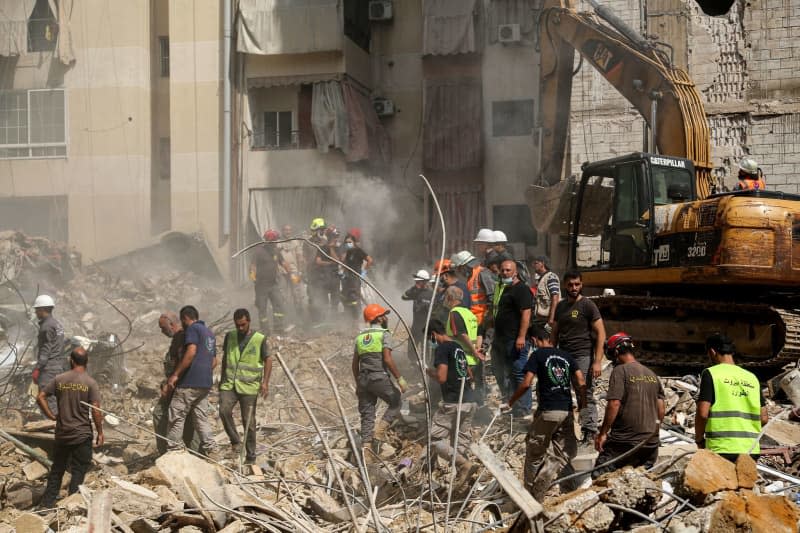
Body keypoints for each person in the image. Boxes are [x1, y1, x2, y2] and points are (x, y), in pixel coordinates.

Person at [504, 324, 586, 500]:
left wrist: (511, 402)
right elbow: (580, 380)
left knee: (534, 451)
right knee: (563, 451)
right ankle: (569, 490)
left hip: (549, 410)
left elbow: (526, 383)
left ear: (534, 340)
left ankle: (530, 495)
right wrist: (583, 403)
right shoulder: (566, 356)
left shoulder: (537, 354)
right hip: (566, 411)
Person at [37, 347, 103, 508]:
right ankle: (72, 504)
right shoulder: (90, 382)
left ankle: (47, 504)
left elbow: (41, 396)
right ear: (87, 362)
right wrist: (100, 432)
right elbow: (95, 409)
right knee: (79, 470)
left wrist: (52, 416)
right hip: (82, 435)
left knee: (57, 470)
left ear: (71, 361)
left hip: (63, 434)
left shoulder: (59, 379)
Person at [593, 333, 664, 478]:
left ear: (616, 352)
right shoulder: (652, 374)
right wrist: (653, 430)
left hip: (625, 442)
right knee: (642, 481)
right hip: (651, 444)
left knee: (600, 477)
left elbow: (614, 403)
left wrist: (603, 433)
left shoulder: (620, 371)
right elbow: (661, 409)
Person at [552, 270, 606, 444]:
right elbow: (555, 332)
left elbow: (601, 333)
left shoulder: (587, 305)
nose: (574, 288)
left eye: (577, 284)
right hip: (563, 355)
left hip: (582, 355)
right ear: (565, 285)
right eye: (570, 284)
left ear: (581, 284)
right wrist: (551, 354)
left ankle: (589, 431)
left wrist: (597, 361)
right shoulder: (560, 307)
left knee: (584, 392)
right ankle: (565, 430)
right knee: (562, 392)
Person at [695, 333, 768, 461]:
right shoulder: (751, 377)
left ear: (712, 352)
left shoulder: (711, 373)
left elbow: (702, 414)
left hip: (721, 449)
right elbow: (764, 418)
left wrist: (699, 439)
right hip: (751, 450)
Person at [426, 319, 479, 487]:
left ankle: (463, 465)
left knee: (434, 439)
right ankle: (462, 480)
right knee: (461, 441)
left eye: (430, 338)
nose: (430, 342)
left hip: (453, 402)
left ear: (433, 335)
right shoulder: (457, 347)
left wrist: (428, 371)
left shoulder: (442, 348)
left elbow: (441, 377)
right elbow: (469, 374)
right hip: (469, 401)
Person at [352, 304, 408, 456]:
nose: (386, 318)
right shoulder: (384, 334)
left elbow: (354, 364)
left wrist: (359, 384)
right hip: (378, 376)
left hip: (363, 378)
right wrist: (400, 379)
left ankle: (367, 454)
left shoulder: (360, 337)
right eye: (384, 315)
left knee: (367, 415)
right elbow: (388, 360)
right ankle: (380, 431)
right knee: (396, 401)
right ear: (378, 318)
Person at [219, 309, 271, 465]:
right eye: (237, 325)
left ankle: (251, 456)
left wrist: (265, 383)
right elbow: (225, 358)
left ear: (249, 321)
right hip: (230, 384)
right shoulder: (230, 336)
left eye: (242, 325)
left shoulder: (259, 339)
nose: (240, 328)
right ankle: (235, 441)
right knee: (223, 410)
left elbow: (268, 360)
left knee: (249, 421)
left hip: (249, 387)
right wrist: (222, 380)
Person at [166, 305, 219, 458]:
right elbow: (214, 361)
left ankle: (174, 451)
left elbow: (191, 352)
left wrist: (175, 374)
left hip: (189, 382)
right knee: (201, 418)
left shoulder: (192, 329)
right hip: (205, 383)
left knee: (176, 415)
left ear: (185, 318)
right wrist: (203, 371)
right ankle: (212, 451)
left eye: (182, 321)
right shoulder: (209, 333)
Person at [490, 260, 533, 416]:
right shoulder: (506, 289)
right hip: (503, 339)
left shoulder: (521, 289)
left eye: (508, 270)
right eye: (502, 270)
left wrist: (521, 337)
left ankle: (525, 408)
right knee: (510, 373)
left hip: (515, 340)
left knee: (519, 372)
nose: (505, 273)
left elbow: (526, 314)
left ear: (515, 272)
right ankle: (515, 406)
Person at [153, 312, 200, 455]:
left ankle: (193, 454)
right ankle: (173, 453)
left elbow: (185, 363)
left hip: (183, 387)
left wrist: (173, 380)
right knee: (170, 416)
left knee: (183, 420)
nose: (162, 331)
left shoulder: (184, 338)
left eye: (163, 328)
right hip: (175, 386)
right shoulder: (177, 340)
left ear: (172, 325)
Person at [442, 286, 485, 404]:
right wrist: (477, 350)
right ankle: (478, 414)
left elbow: (461, 334)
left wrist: (474, 351)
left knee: (462, 393)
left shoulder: (454, 313)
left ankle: (464, 417)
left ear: (450, 297)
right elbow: (480, 333)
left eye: (445, 296)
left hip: (462, 360)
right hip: (474, 359)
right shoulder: (470, 313)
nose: (444, 299)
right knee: (472, 390)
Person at [32, 294, 66, 416]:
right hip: (58, 367)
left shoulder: (46, 327)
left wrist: (37, 368)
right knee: (56, 399)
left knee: (47, 399)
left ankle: (53, 427)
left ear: (42, 309)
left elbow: (45, 351)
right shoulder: (57, 324)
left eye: (37, 309)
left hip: (49, 368)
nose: (35, 312)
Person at [250, 229, 289, 333]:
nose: (277, 242)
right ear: (269, 241)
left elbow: (283, 263)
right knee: (262, 308)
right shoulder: (259, 251)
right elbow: (253, 265)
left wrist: (292, 274)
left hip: (273, 284)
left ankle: (279, 328)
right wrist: (252, 274)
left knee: (279, 305)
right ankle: (265, 329)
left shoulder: (276, 251)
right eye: (275, 240)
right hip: (261, 286)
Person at [340, 229, 373, 322]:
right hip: (347, 278)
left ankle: (357, 317)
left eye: (350, 242)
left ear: (354, 242)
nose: (348, 244)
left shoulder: (358, 251)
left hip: (355, 277)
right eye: (346, 242)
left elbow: (370, 260)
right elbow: (343, 262)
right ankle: (348, 315)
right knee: (344, 296)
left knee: (355, 298)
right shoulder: (347, 252)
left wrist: (363, 273)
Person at [401, 269, 433, 364]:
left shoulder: (431, 294)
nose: (416, 282)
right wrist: (414, 288)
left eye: (418, 281)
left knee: (426, 351)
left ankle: (425, 369)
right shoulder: (415, 292)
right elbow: (404, 297)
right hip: (415, 327)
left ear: (425, 281)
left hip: (426, 328)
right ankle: (415, 365)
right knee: (411, 350)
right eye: (416, 281)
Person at [278, 224, 305, 316]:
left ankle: (299, 315)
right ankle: (284, 316)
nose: (288, 232)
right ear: (282, 231)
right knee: (282, 294)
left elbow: (299, 257)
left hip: (294, 272)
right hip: (282, 272)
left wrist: (300, 271)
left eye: (289, 230)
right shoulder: (278, 242)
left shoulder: (295, 242)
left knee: (296, 293)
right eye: (286, 230)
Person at [306, 218, 329, 322]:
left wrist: (325, 242)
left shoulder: (326, 242)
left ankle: (325, 320)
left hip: (324, 274)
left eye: (323, 230)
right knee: (312, 297)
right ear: (315, 230)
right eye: (321, 229)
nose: (322, 232)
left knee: (324, 297)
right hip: (312, 274)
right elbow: (304, 258)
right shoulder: (307, 242)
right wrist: (303, 273)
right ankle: (314, 320)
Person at [532, 256, 560, 329]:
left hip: (547, 319)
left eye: (536, 263)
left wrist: (551, 319)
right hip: (540, 319)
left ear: (542, 264)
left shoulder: (550, 277)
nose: (533, 265)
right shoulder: (541, 279)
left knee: (546, 340)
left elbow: (555, 297)